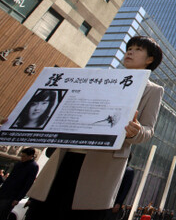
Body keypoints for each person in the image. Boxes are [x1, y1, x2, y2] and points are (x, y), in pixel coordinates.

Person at [26, 35, 164, 220]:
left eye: (138, 49)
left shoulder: (153, 90)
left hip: (101, 165)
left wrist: (136, 131)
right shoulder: (98, 79)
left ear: (150, 59)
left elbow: (148, 130)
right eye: (129, 47)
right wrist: (22, 122)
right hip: (64, 157)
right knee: (42, 211)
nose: (130, 51)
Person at [0, 148, 38, 220]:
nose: (22, 158)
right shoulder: (19, 164)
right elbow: (10, 178)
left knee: (2, 213)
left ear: (31, 156)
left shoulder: (33, 166)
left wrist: (18, 198)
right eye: (22, 156)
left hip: (13, 195)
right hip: (4, 191)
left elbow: (28, 184)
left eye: (24, 156)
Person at [108, 155, 134, 220]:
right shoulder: (114, 167)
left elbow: (126, 188)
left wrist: (119, 203)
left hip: (115, 202)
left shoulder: (128, 171)